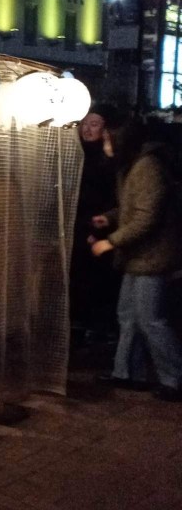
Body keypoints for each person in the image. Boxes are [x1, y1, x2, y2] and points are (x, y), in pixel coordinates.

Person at [91, 118, 182, 401]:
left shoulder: (146, 167)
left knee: (150, 319)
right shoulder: (131, 167)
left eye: (108, 138)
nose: (104, 143)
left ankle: (174, 378)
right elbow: (135, 207)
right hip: (138, 256)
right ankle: (127, 372)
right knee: (129, 315)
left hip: (152, 256)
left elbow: (147, 217)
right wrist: (111, 216)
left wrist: (111, 241)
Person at [70, 104, 120, 344]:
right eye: (84, 123)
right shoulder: (76, 154)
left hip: (100, 229)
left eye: (94, 124)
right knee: (78, 279)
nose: (87, 129)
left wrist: (95, 230)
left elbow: (112, 200)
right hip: (77, 227)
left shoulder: (109, 160)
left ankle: (98, 328)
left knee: (98, 281)